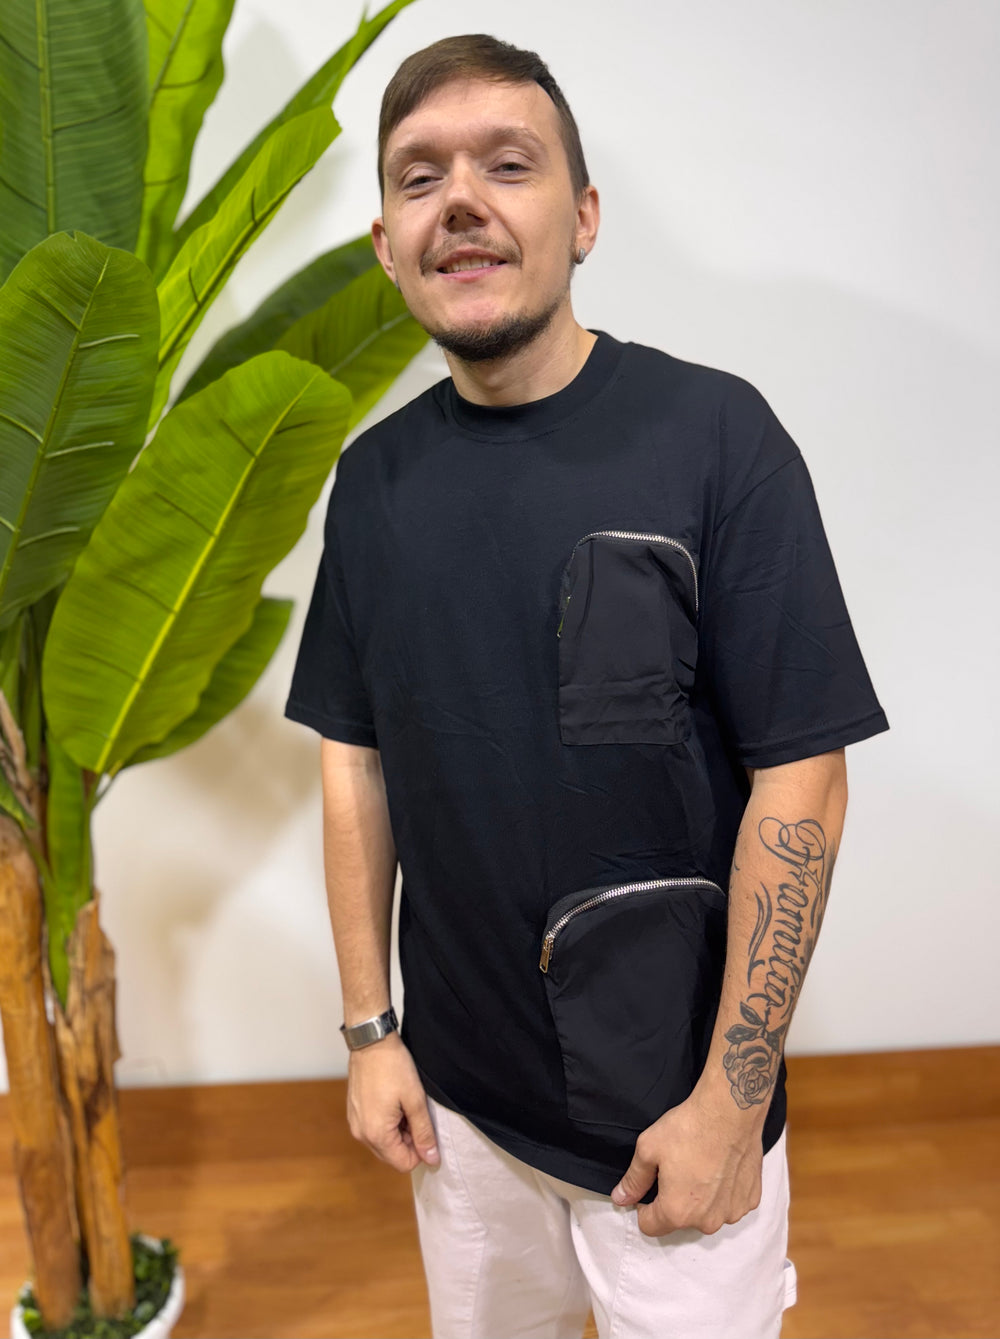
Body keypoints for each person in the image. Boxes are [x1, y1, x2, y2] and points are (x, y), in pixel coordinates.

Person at [283, 33, 889, 1339]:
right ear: (387, 244)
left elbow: (805, 773)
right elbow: (355, 758)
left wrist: (732, 1103)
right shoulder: (373, 485)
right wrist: (370, 1032)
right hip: (463, 1116)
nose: (461, 199)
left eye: (509, 165)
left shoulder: (716, 437)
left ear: (586, 217)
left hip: (677, 1121)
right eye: (418, 176)